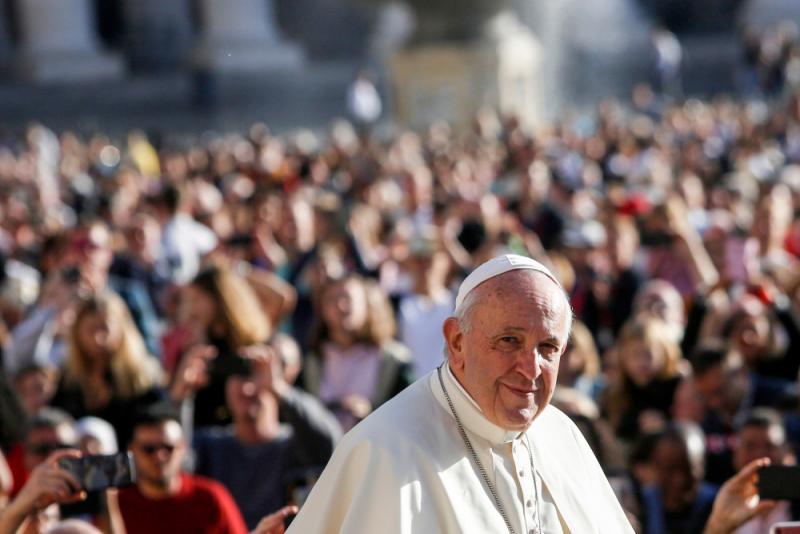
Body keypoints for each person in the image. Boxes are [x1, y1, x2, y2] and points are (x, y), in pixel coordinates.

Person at [288, 254, 633, 533]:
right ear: (456, 342)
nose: (531, 368)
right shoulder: (383, 451)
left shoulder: (563, 435)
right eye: (509, 341)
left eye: (547, 348)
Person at [193, 345, 341, 529]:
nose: (248, 388)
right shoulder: (210, 446)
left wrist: (279, 388)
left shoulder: (295, 445)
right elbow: (173, 462)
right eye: (239, 376)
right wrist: (179, 397)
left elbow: (331, 444)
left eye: (256, 376)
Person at [116, 404, 248, 534]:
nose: (160, 456)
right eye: (149, 449)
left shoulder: (211, 498)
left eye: (168, 448)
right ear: (131, 450)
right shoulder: (116, 507)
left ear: (183, 448)